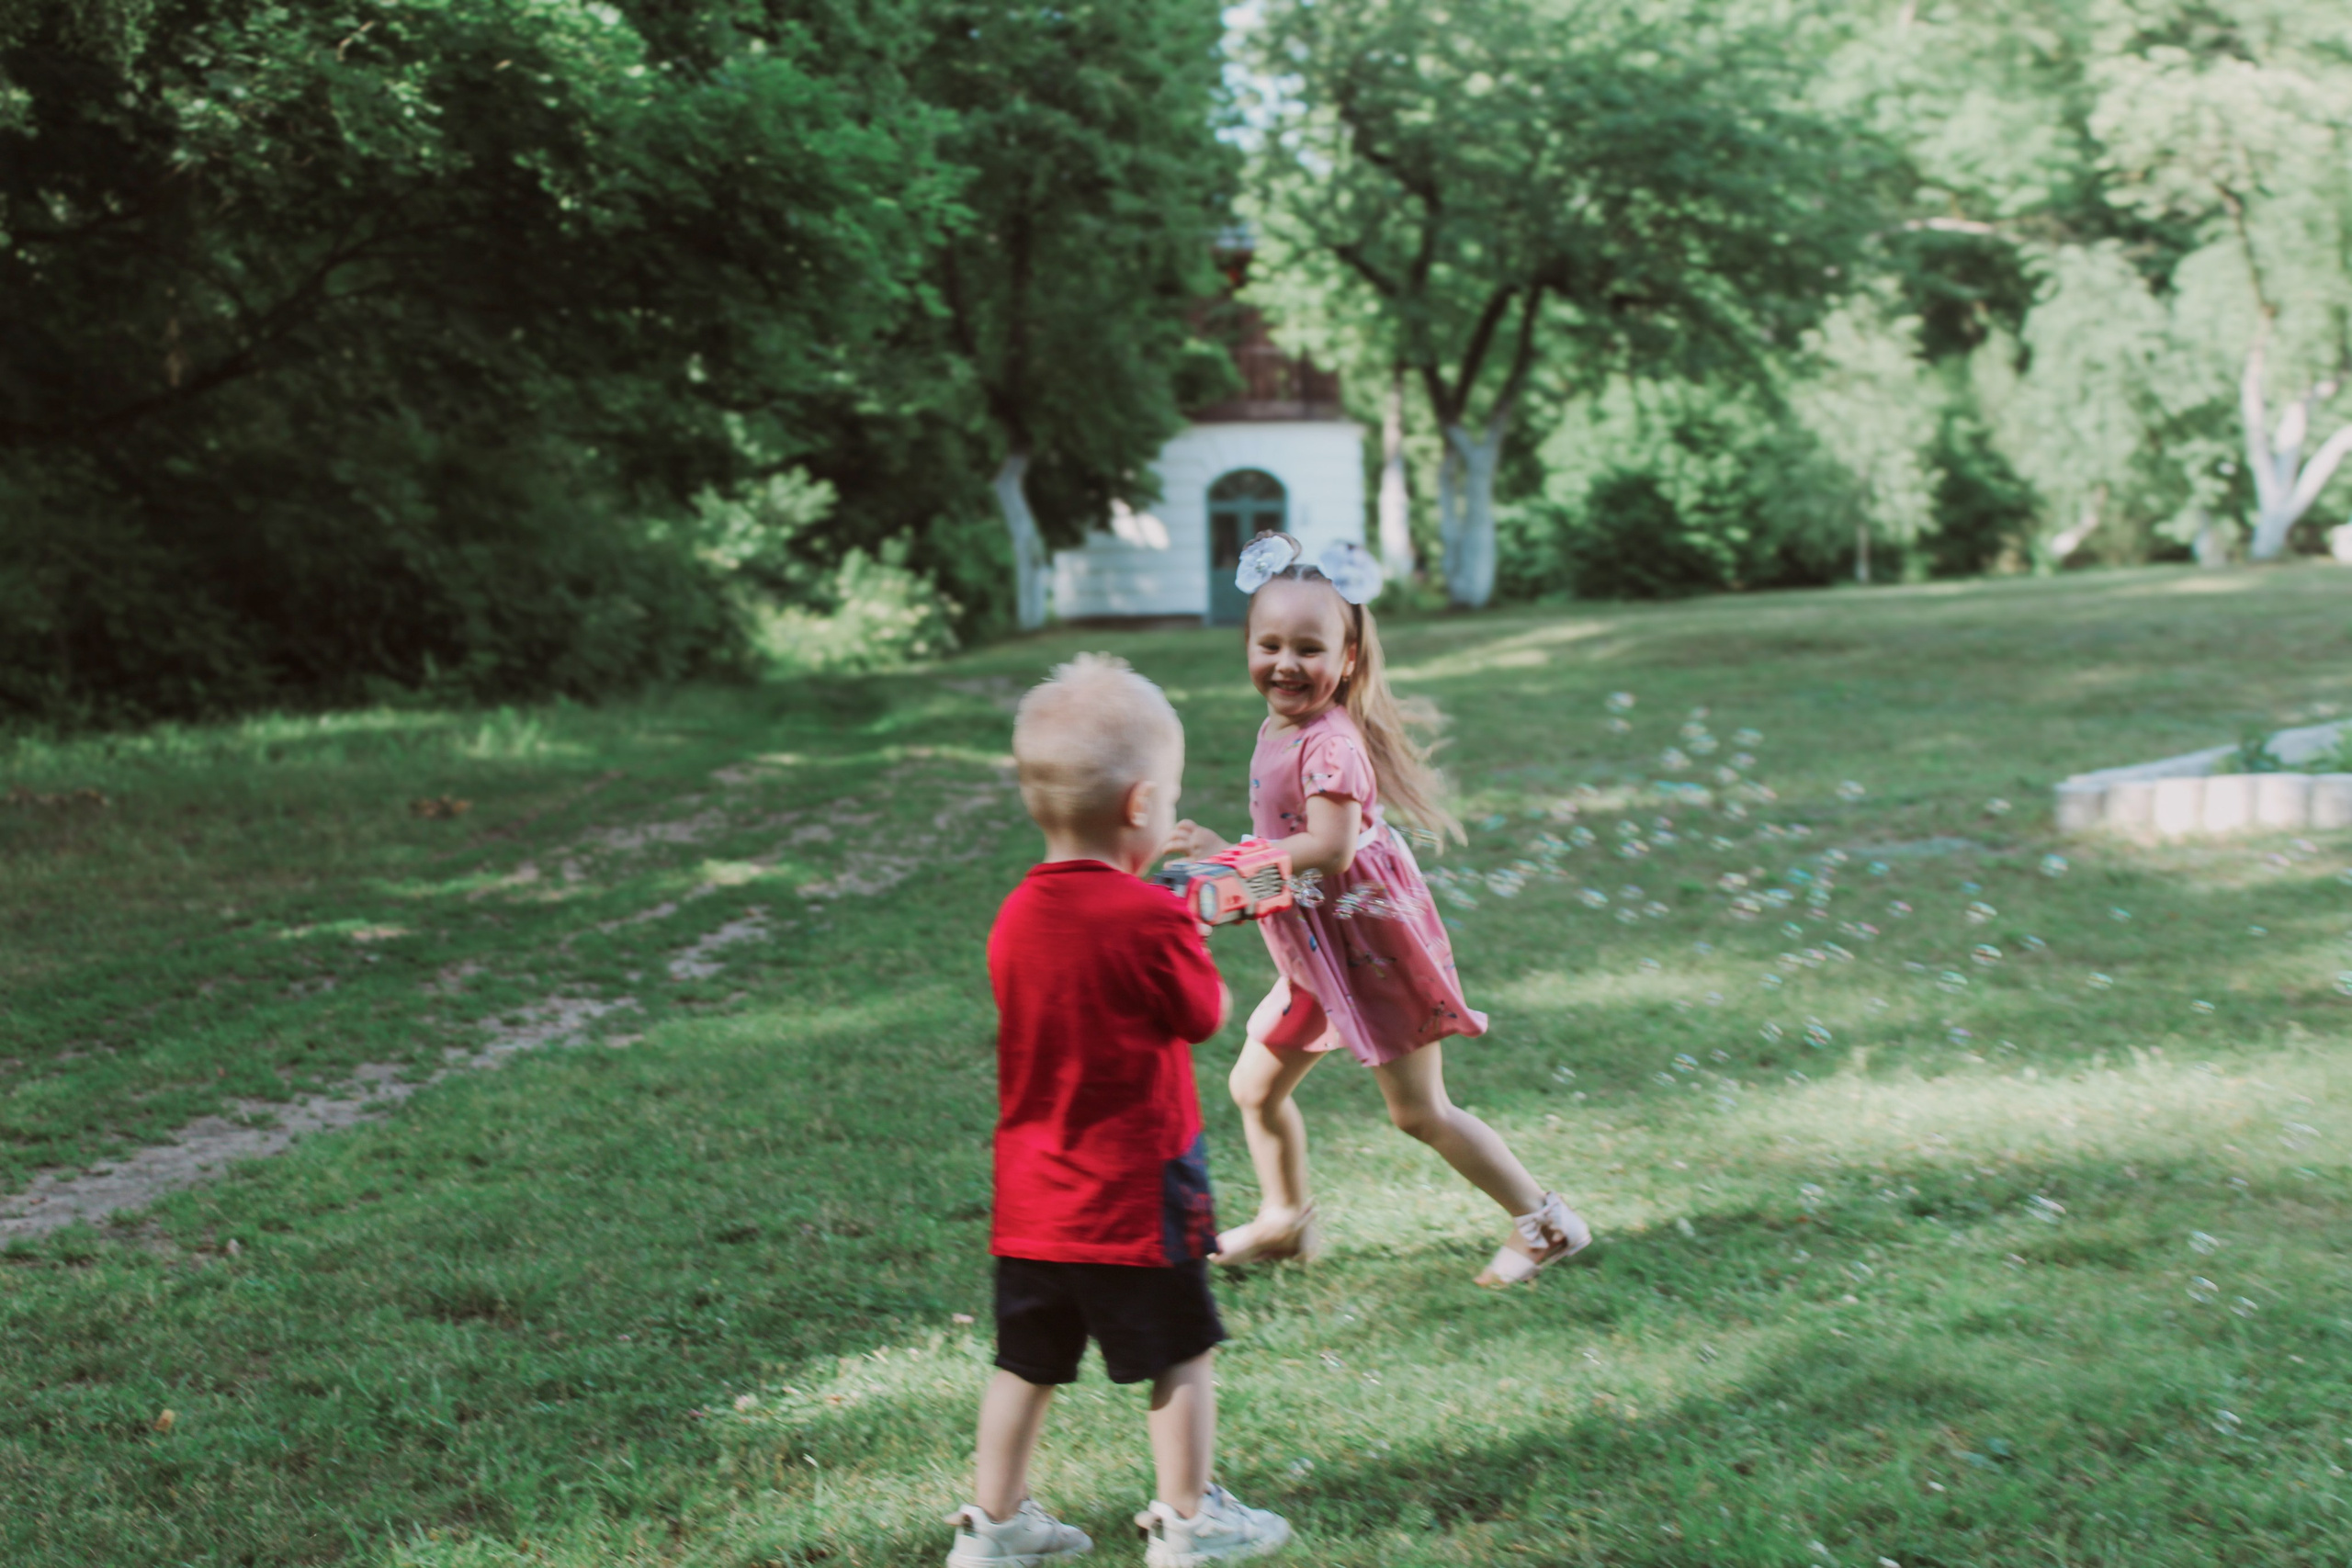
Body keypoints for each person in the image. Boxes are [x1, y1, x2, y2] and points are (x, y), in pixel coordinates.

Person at [1168, 536, 1589, 1288]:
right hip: (1316, 951)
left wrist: (1230, 866)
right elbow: (1298, 859)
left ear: (1349, 658)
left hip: (1370, 947)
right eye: (1270, 645)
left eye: (1310, 648)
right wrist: (1229, 874)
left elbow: (1329, 850)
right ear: (1248, 646)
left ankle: (1546, 1221)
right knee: (1254, 1088)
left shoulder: (1330, 744)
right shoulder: (1280, 726)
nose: (1287, 663)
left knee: (1419, 1111)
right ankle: (1285, 1220)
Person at [948, 653, 1293, 1568]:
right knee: (1181, 1353)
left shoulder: (1015, 914)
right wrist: (1186, 925)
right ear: (1141, 806)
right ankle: (1189, 1520)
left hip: (1033, 1206)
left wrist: (1164, 916)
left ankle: (994, 1526)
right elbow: (1201, 1015)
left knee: (1026, 1363)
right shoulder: (1151, 920)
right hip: (1137, 1200)